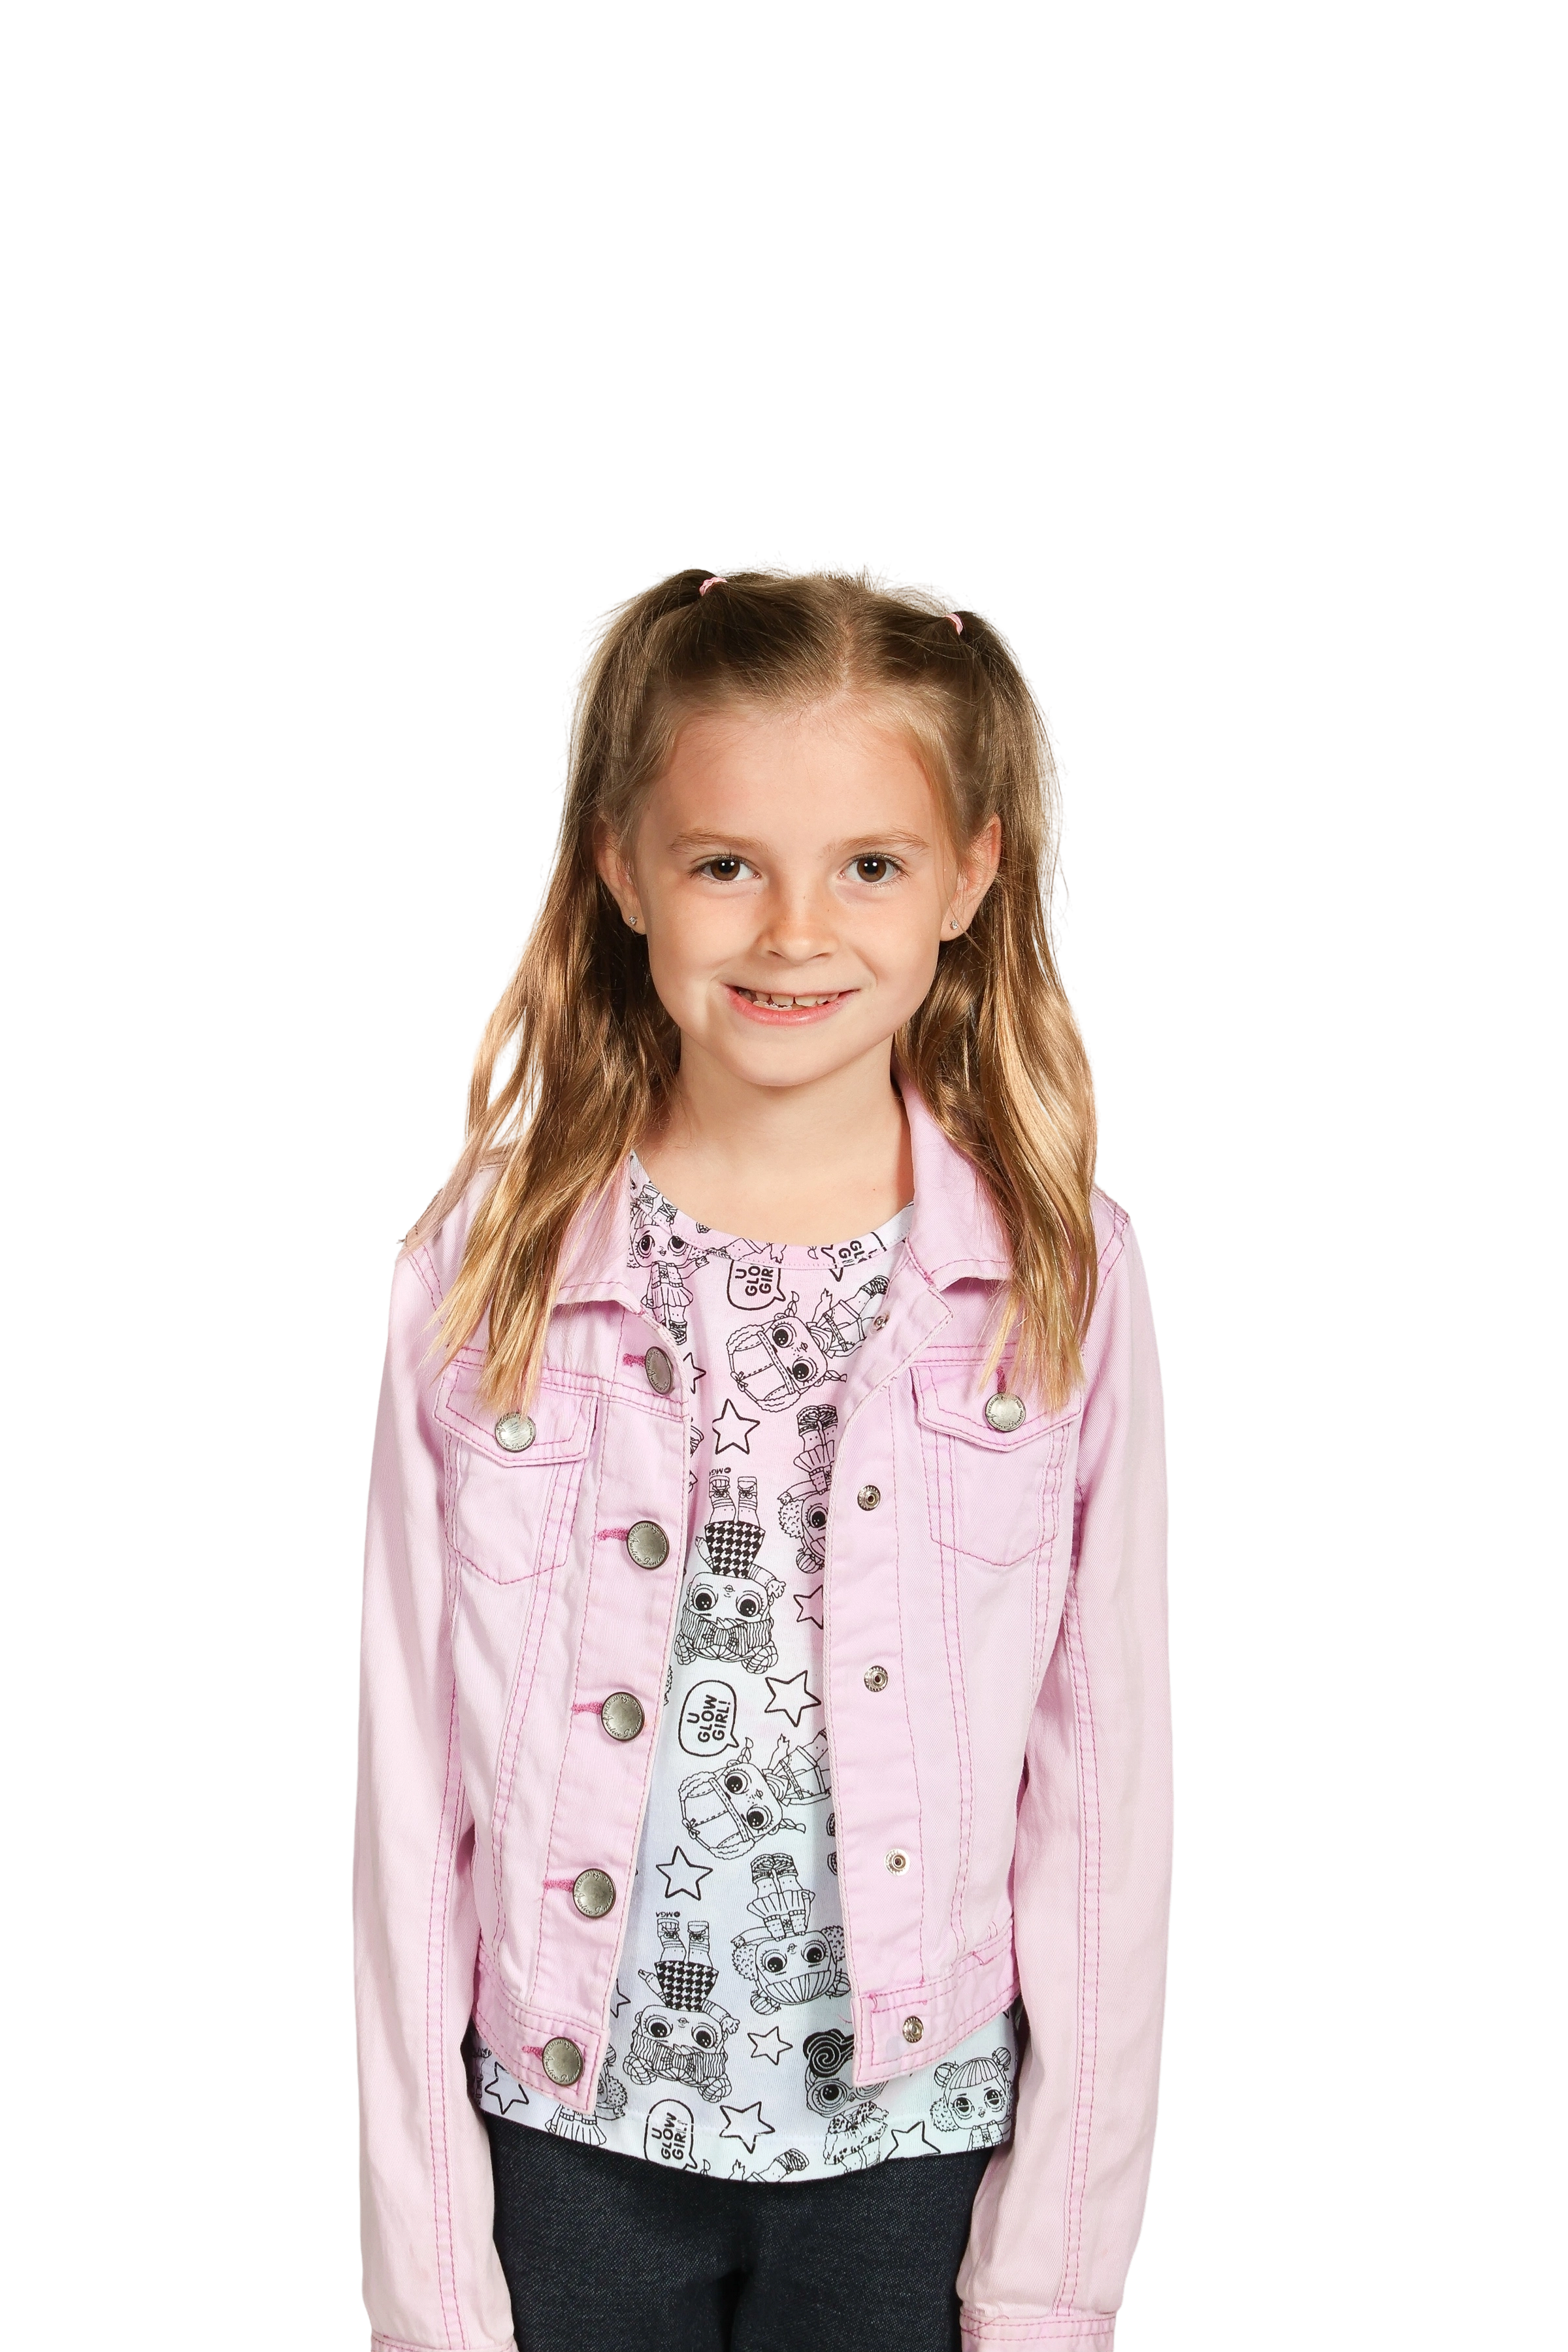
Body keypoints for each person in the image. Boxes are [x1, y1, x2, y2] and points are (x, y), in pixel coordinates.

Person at [353, 557, 1173, 2352]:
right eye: (728, 863)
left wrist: (1049, 2282)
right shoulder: (486, 1265)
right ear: (622, 869)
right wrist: (431, 2287)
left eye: (869, 864)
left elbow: (1105, 1784)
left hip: (916, 2152)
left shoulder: (1059, 1270)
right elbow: (402, 1786)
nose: (795, 931)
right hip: (563, 2137)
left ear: (972, 876)